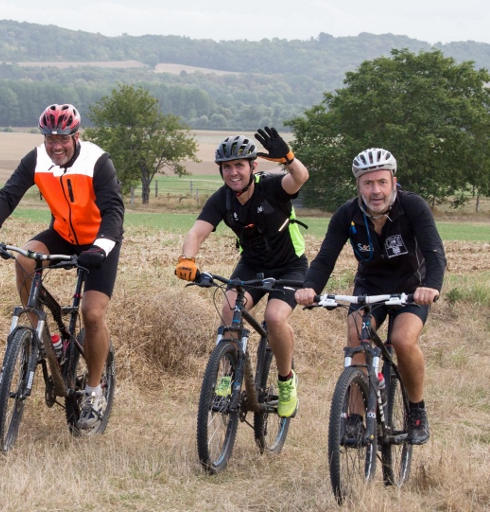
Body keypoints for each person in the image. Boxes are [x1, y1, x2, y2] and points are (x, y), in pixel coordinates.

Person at [0, 103, 125, 431]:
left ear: (76, 136)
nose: (56, 146)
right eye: (50, 138)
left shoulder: (97, 161)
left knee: (92, 314)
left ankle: (95, 391)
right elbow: (8, 195)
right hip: (63, 235)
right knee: (24, 258)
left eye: (62, 139)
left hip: (100, 242)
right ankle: (45, 337)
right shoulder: (36, 159)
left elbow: (113, 211)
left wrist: (100, 247)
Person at [295, 147, 446, 445]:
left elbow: (434, 251)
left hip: (411, 288)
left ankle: (417, 410)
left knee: (402, 340)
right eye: (368, 183)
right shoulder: (348, 214)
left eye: (381, 182)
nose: (375, 190)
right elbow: (325, 258)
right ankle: (354, 417)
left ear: (393, 182)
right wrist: (310, 287)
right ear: (359, 186)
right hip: (370, 287)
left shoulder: (412, 206)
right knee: (356, 338)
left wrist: (431, 286)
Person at [175, 127, 309, 418]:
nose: (233, 172)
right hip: (252, 265)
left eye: (239, 165)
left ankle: (286, 381)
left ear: (253, 166)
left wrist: (288, 158)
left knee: (275, 318)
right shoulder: (222, 199)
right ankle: (227, 375)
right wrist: (187, 259)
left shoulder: (271, 187)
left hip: (290, 266)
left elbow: (299, 177)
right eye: (227, 167)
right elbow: (197, 232)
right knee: (229, 308)